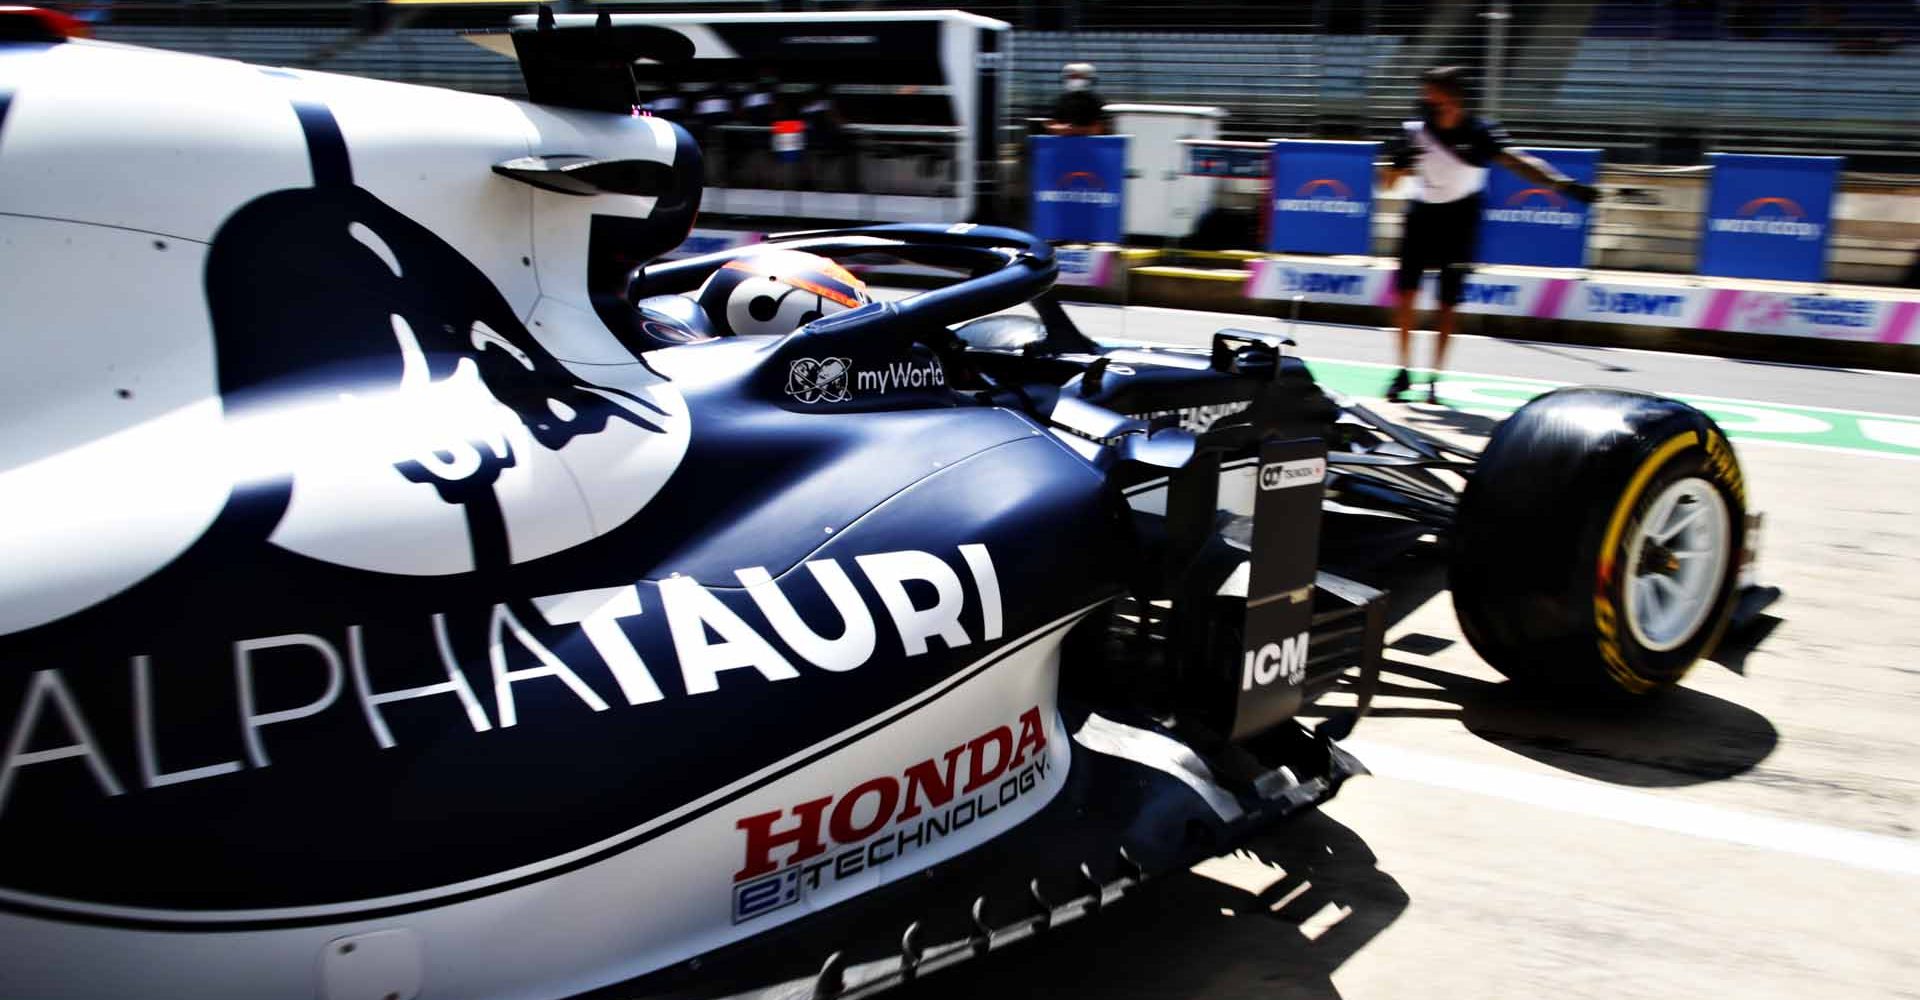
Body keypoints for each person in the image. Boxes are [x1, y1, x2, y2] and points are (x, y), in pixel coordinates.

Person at [1380, 66, 1599, 403]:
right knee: (1406, 296)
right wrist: (1397, 165)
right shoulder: (1412, 131)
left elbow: (1518, 161)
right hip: (1421, 216)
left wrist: (1564, 185)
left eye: (1433, 96)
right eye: (1425, 96)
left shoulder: (1480, 132)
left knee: (1447, 303)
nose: (1425, 102)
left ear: (1454, 99)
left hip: (1461, 218)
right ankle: (1403, 370)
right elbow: (1387, 184)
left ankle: (1435, 377)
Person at [1046, 62, 1112, 136]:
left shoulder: (1096, 101)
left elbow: (1098, 129)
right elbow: (1051, 126)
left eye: (1079, 77)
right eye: (1072, 77)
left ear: (1088, 79)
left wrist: (1071, 130)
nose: (1074, 80)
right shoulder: (1060, 101)